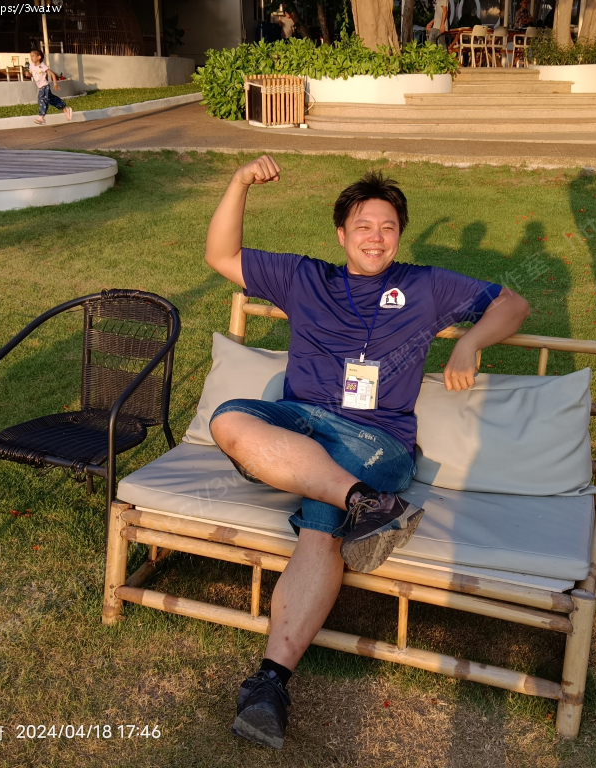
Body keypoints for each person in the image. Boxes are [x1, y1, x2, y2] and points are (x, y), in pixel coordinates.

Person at [203, 156, 529, 749]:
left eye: (387, 227)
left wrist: (469, 344)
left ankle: (272, 682)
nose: (375, 238)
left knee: (320, 525)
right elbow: (221, 256)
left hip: (377, 442)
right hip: (302, 423)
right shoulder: (305, 279)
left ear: (399, 235)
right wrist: (239, 181)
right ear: (341, 234)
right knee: (229, 419)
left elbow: (513, 303)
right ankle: (367, 504)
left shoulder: (425, 286)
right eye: (362, 227)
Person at [28, 49, 72, 126]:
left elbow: (52, 74)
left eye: (33, 56)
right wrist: (28, 75)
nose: (31, 58)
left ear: (39, 57)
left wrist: (55, 84)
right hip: (40, 86)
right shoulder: (31, 65)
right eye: (30, 56)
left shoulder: (42, 66)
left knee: (42, 99)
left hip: (44, 86)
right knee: (52, 100)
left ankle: (41, 117)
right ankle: (65, 109)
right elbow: (33, 74)